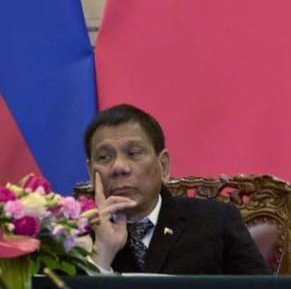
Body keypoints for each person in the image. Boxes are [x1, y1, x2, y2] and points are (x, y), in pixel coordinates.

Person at [84, 103, 269, 275]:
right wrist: (103, 252)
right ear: (92, 172)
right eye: (104, 157)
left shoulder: (215, 222)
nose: (119, 167)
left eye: (133, 153)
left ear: (163, 166)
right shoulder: (72, 235)